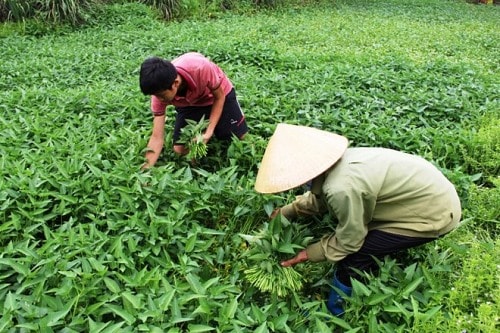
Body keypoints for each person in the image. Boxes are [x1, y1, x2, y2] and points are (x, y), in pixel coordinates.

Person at [254, 123, 461, 316]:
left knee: (355, 257)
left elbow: (350, 239)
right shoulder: (339, 165)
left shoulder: (340, 187)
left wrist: (308, 253)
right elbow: (320, 198)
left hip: (434, 214)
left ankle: (337, 310)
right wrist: (286, 211)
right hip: (429, 195)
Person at [139, 52, 248, 168]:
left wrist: (208, 132)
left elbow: (219, 97)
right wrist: (145, 171)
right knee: (180, 150)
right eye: (155, 95)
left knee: (241, 138)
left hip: (219, 95)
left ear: (175, 83)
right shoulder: (159, 93)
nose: (159, 99)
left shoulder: (200, 68)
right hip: (190, 104)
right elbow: (157, 137)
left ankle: (216, 130)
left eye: (161, 95)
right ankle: (199, 159)